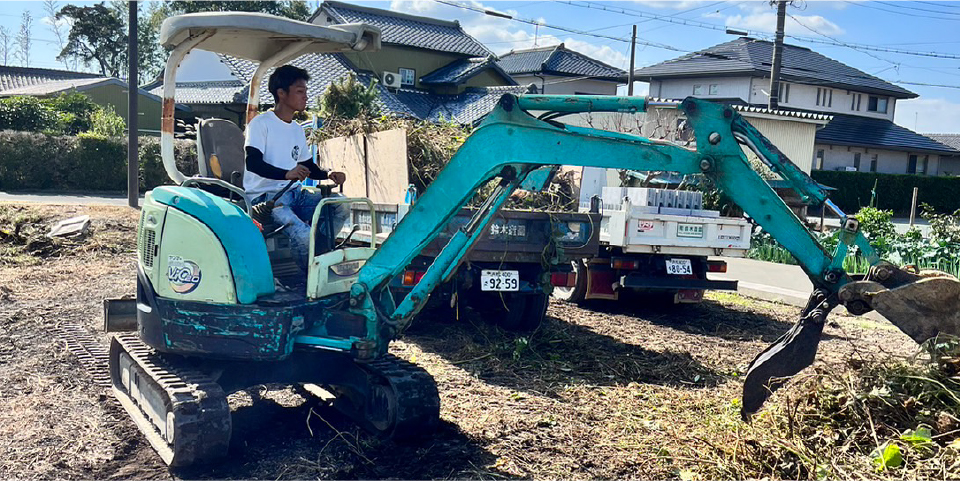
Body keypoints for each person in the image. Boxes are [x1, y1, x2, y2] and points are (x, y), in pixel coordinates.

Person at [244, 65, 349, 274]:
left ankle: (319, 251)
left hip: (294, 195)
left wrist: (328, 174)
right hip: (265, 199)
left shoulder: (297, 130)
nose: (306, 97)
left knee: (341, 205)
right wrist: (286, 174)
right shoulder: (260, 124)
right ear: (281, 94)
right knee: (302, 234)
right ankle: (310, 279)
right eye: (300, 91)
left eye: (305, 91)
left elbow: (309, 166)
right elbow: (252, 163)